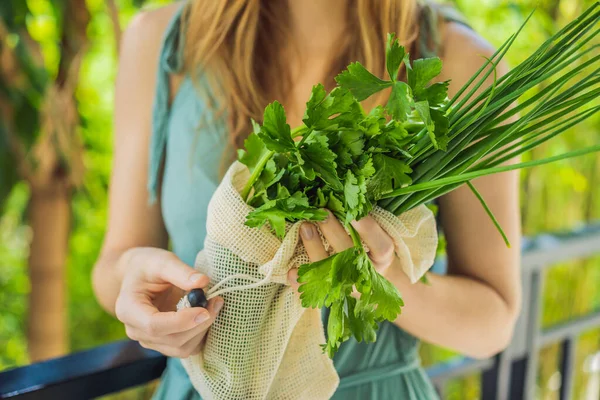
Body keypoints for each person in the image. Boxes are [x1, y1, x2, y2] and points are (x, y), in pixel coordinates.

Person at [92, 1, 522, 398]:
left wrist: (375, 281)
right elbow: (115, 263)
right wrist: (143, 289)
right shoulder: (158, 41)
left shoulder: (463, 64)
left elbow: (494, 320)